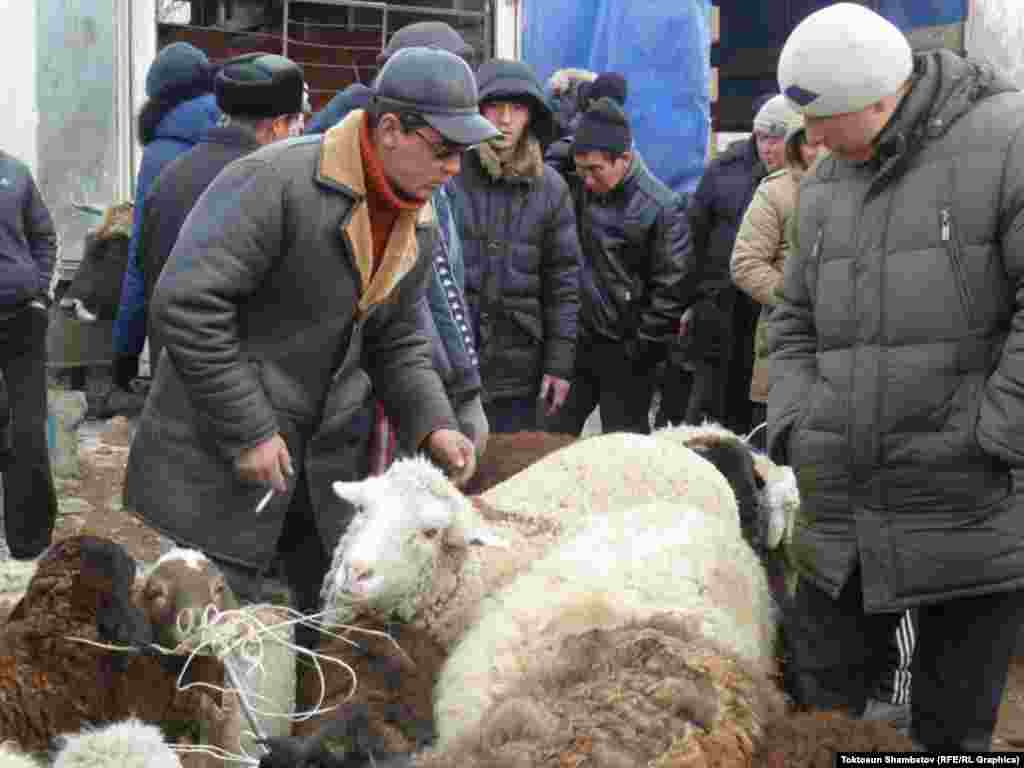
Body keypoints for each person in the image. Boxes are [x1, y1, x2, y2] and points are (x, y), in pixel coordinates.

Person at [122, 47, 500, 639]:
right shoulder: (276, 181)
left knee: (308, 637)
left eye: (463, 153)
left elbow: (396, 337)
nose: (454, 168)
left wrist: (434, 423)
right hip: (221, 460)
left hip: (319, 472)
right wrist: (247, 427)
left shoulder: (416, 221)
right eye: (445, 149)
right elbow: (187, 301)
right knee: (203, 646)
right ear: (392, 130)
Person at [769, 2, 1024, 751]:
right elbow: (791, 319)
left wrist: (998, 434)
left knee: (955, 735)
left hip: (968, 508)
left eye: (824, 120)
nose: (808, 140)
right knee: (822, 724)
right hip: (841, 513)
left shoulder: (1009, 142)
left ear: (884, 98)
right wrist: (798, 422)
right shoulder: (824, 182)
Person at [731, 115, 916, 728]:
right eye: (808, 136)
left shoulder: (903, 198)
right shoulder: (785, 194)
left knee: (894, 563)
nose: (822, 146)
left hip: (903, 431)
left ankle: (889, 683)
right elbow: (748, 266)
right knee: (806, 537)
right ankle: (816, 697)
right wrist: (802, 303)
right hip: (814, 407)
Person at [303, 20, 490, 460]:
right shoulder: (406, 177)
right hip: (368, 396)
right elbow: (435, 296)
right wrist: (463, 391)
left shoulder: (408, 167)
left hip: (375, 387)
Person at [138, 52, 306, 373]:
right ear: (276, 126)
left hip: (171, 378)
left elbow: (146, 273)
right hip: (245, 388)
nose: (300, 132)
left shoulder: (169, 178)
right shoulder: (280, 185)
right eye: (295, 122)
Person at [451, 58, 582, 433]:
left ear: (531, 116)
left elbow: (564, 283)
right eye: (495, 106)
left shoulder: (551, 188)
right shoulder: (450, 175)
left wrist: (559, 364)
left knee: (509, 474)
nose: (505, 119)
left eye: (518, 108)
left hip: (519, 366)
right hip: (455, 360)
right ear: (478, 110)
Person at [549, 98, 692, 436]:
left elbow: (671, 291)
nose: (586, 180)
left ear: (625, 159)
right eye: (580, 168)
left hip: (627, 356)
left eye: (595, 170)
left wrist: (638, 350)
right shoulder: (576, 184)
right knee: (550, 442)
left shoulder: (661, 207)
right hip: (575, 348)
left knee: (625, 454)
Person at [110, 41, 219, 406]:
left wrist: (124, 354)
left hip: (176, 323)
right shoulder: (246, 134)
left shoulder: (160, 154)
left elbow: (140, 257)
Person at [678, 93, 788, 433]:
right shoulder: (723, 169)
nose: (768, 146)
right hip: (719, 307)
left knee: (756, 415)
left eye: (776, 137)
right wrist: (688, 302)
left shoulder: (804, 181)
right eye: (762, 136)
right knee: (706, 414)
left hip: (766, 314)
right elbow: (693, 236)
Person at [0, 152, 58, 560]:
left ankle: (29, 540)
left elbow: (44, 235)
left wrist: (38, 292)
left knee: (28, 427)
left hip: (21, 315)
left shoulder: (14, 173)